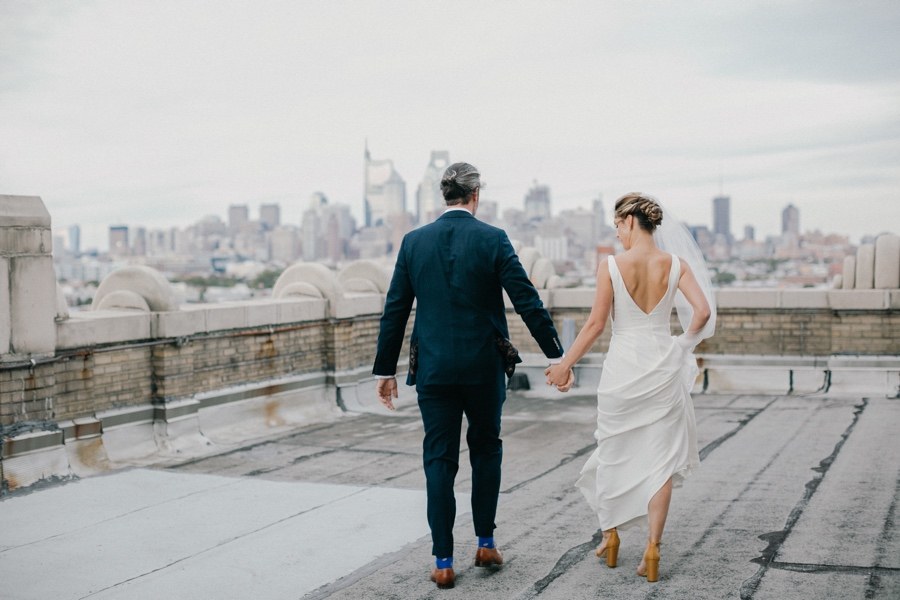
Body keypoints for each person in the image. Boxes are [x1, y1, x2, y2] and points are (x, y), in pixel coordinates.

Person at [373, 162, 571, 590]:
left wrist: (384, 369)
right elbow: (527, 300)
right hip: (483, 369)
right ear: (476, 194)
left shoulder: (413, 242)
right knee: (486, 451)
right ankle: (485, 543)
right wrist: (559, 356)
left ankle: (443, 561)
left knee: (438, 460)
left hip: (434, 371)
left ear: (443, 196)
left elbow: (395, 310)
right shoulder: (493, 239)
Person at [545, 192, 714, 583]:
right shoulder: (677, 265)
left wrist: (564, 366)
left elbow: (595, 325)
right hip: (662, 365)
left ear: (632, 221)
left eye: (618, 225)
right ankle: (652, 549)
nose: (618, 233)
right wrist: (682, 346)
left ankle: (612, 535)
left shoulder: (611, 266)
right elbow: (702, 313)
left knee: (614, 450)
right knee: (661, 465)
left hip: (623, 369)